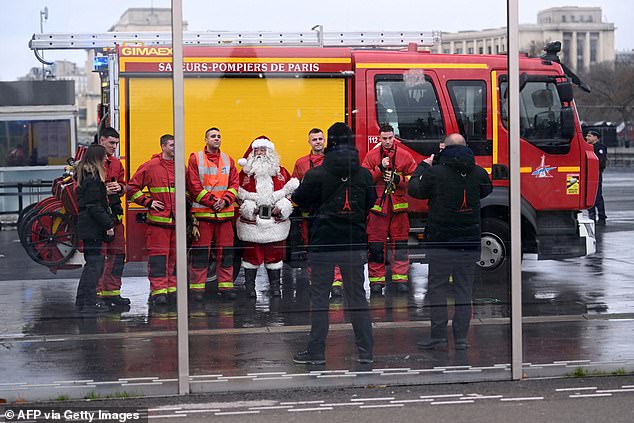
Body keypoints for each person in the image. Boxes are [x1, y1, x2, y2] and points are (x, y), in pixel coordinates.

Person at [291, 122, 376, 365]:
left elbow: (300, 200)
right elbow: (370, 202)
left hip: (323, 243)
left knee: (319, 298)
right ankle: (365, 352)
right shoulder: (364, 174)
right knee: (357, 297)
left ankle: (316, 352)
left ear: (329, 143)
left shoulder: (316, 173)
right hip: (354, 243)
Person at [408, 133, 492, 351]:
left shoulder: (435, 173)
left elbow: (415, 190)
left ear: (444, 148)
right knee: (464, 291)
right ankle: (461, 339)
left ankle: (438, 336)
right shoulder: (478, 172)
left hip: (441, 243)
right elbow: (486, 190)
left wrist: (423, 167)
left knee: (438, 289)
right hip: (469, 242)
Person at [236, 136, 299, 297]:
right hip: (252, 223)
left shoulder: (281, 172)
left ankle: (276, 288)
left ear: (270, 152)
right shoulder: (244, 174)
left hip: (275, 223)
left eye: (264, 150)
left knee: (275, 257)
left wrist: (282, 207)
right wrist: (249, 208)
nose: (260, 153)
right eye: (257, 150)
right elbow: (237, 194)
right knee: (251, 257)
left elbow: (290, 193)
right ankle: (249, 288)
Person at [361, 123, 417, 295]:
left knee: (400, 246)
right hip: (378, 209)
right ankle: (376, 282)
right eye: (384, 138)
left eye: (390, 138)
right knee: (376, 247)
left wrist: (398, 179)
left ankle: (401, 280)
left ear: (394, 137)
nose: (387, 141)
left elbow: (414, 179)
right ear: (379, 138)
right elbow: (364, 179)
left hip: (398, 209)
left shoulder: (404, 155)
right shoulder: (371, 156)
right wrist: (379, 169)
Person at [186, 127, 240, 301]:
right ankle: (197, 290)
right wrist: (213, 202)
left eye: (219, 136)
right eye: (213, 136)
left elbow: (234, 185)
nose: (217, 139)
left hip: (224, 216)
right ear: (205, 139)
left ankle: (226, 287)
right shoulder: (196, 158)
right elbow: (194, 186)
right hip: (203, 216)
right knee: (201, 254)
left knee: (226, 254)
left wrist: (224, 201)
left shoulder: (228, 160)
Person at [292, 128, 344, 297]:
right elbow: (295, 188)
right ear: (309, 142)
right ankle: (316, 281)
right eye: (314, 139)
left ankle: (336, 282)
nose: (318, 142)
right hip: (311, 215)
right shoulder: (301, 163)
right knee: (312, 249)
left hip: (332, 214)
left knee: (334, 248)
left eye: (320, 139)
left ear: (325, 141)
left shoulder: (335, 161)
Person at [128, 134, 177, 307]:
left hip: (176, 224)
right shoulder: (151, 166)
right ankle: (159, 292)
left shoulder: (181, 168)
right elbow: (132, 188)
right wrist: (148, 202)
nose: (175, 148)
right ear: (163, 147)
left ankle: (171, 290)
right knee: (158, 259)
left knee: (174, 259)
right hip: (158, 224)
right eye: (172, 145)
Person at [75, 144, 115, 314]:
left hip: (87, 226)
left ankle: (82, 301)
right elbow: (94, 206)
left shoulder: (86, 175)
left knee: (91, 265)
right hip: (92, 227)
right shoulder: (93, 178)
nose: (107, 159)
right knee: (95, 265)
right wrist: (108, 224)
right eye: (104, 156)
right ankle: (89, 304)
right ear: (97, 158)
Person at [95, 127, 129, 308]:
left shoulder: (116, 163)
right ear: (102, 141)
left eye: (116, 143)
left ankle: (112, 293)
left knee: (117, 256)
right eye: (111, 143)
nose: (115, 147)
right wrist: (104, 190)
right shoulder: (90, 163)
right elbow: (81, 190)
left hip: (115, 217)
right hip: (98, 219)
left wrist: (120, 188)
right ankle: (98, 295)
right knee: (99, 258)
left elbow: (125, 185)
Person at [586, 130, 607, 225]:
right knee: (589, 194)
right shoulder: (588, 147)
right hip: (588, 174)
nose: (587, 138)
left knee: (597, 195)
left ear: (596, 138)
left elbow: (601, 162)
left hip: (595, 174)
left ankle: (601, 216)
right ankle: (591, 214)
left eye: (589, 136)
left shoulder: (600, 148)